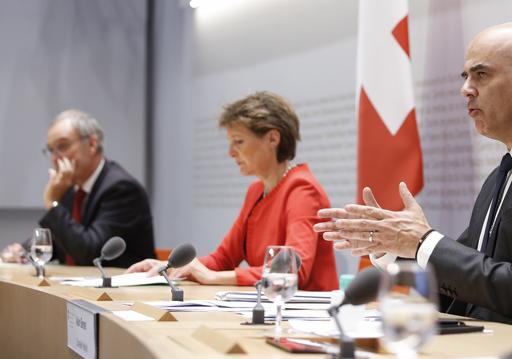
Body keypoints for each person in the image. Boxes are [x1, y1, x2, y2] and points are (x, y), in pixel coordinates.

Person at [314, 22, 512, 343]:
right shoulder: (505, 171)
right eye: (466, 77)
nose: (466, 89)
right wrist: (395, 247)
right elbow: (466, 281)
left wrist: (421, 242)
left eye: (481, 75)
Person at [127, 91, 338, 291]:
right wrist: (169, 267)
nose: (230, 152)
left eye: (239, 141)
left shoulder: (302, 189)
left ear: (273, 138)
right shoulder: (256, 191)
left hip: (306, 318)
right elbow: (223, 259)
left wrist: (213, 278)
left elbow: (293, 272)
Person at [0, 109, 155, 267]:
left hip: (123, 289)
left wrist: (52, 202)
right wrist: (22, 250)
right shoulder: (71, 188)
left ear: (92, 144)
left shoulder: (121, 188)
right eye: (51, 150)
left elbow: (90, 253)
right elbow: (60, 240)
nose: (55, 157)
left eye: (63, 146)